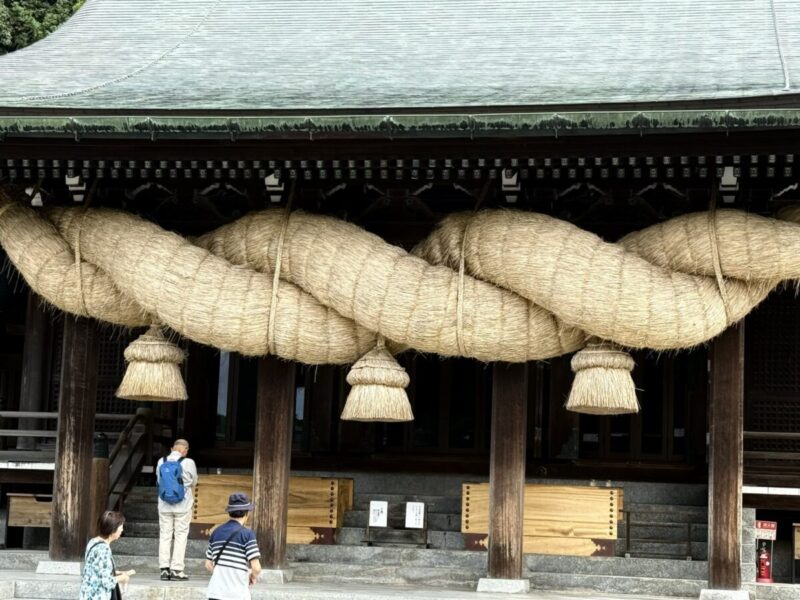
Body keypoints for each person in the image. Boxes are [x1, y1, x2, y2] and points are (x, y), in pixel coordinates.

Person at [205, 492, 262, 600]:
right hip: (237, 594)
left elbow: (208, 564)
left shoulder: (216, 532)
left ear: (229, 512)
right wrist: (251, 576)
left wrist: (223, 575)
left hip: (215, 593)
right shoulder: (247, 535)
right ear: (247, 514)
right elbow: (256, 568)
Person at [156, 438, 197, 581]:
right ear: (185, 450)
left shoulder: (161, 461)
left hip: (164, 505)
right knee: (180, 536)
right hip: (183, 506)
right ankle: (177, 569)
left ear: (172, 448)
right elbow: (194, 482)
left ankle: (164, 569)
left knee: (165, 535)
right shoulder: (188, 462)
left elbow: (158, 480)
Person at [80, 510, 135, 600]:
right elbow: (107, 582)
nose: (122, 530)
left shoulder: (93, 541)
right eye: (120, 527)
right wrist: (123, 577)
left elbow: (96, 569)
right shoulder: (103, 550)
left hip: (87, 594)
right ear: (112, 529)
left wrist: (117, 572)